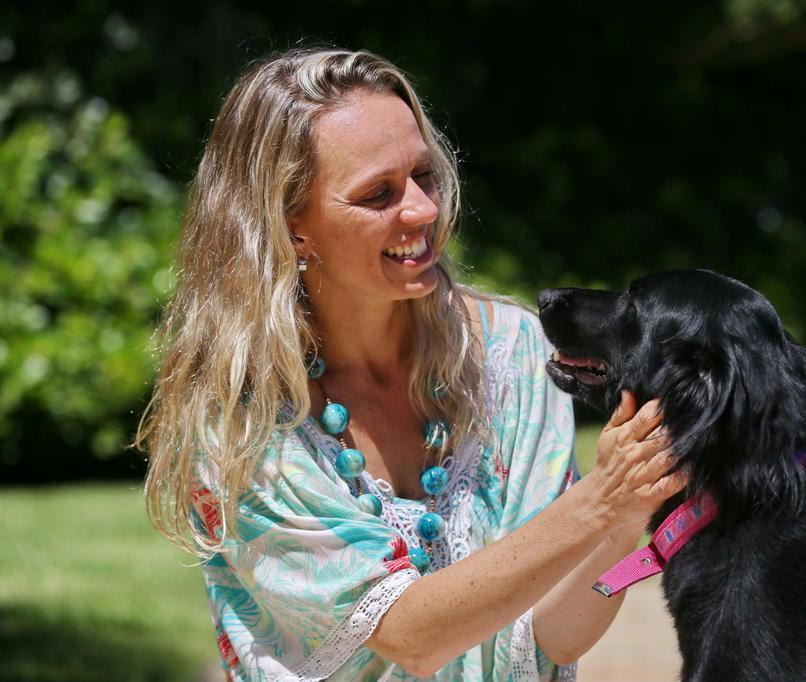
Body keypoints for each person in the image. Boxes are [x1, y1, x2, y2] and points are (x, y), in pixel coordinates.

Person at [134, 48, 686, 681]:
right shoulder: (241, 422)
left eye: (424, 175)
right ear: (290, 227)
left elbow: (553, 639)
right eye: (378, 194)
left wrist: (622, 522)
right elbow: (411, 637)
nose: (423, 210)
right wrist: (598, 501)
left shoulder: (514, 354)